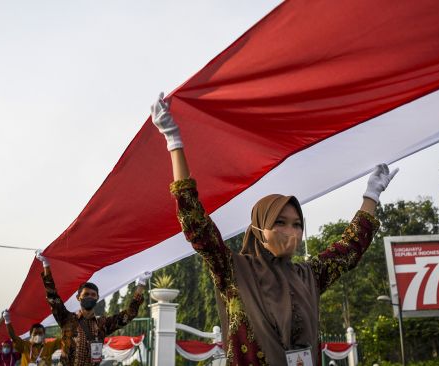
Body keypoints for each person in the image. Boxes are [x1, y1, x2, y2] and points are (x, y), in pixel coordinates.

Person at [151, 93, 398, 365]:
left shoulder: (309, 275)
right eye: (279, 223)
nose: (291, 232)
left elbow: (349, 248)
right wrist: (174, 141)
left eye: (297, 225)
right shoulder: (233, 270)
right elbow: (195, 222)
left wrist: (371, 195)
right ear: (259, 230)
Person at [35, 251, 151, 366]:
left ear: (97, 298)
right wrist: (46, 265)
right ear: (78, 297)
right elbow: (52, 296)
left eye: (93, 295)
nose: (89, 297)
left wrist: (141, 284)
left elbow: (128, 315)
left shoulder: (103, 324)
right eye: (86, 294)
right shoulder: (66, 319)